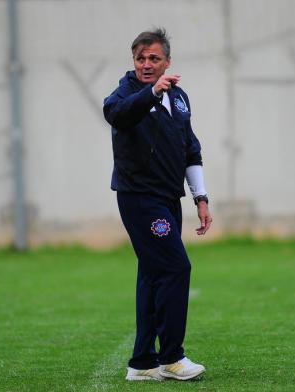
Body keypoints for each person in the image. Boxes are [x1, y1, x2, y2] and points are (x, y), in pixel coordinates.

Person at [103, 28, 212, 381]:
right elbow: (118, 114)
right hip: (140, 198)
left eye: (154, 58)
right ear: (133, 61)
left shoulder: (179, 99)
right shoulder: (126, 93)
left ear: (167, 61)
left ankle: (142, 363)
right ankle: (171, 358)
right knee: (176, 268)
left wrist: (201, 197)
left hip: (168, 198)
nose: (146, 64)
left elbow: (190, 150)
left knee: (152, 274)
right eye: (140, 58)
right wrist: (151, 92)